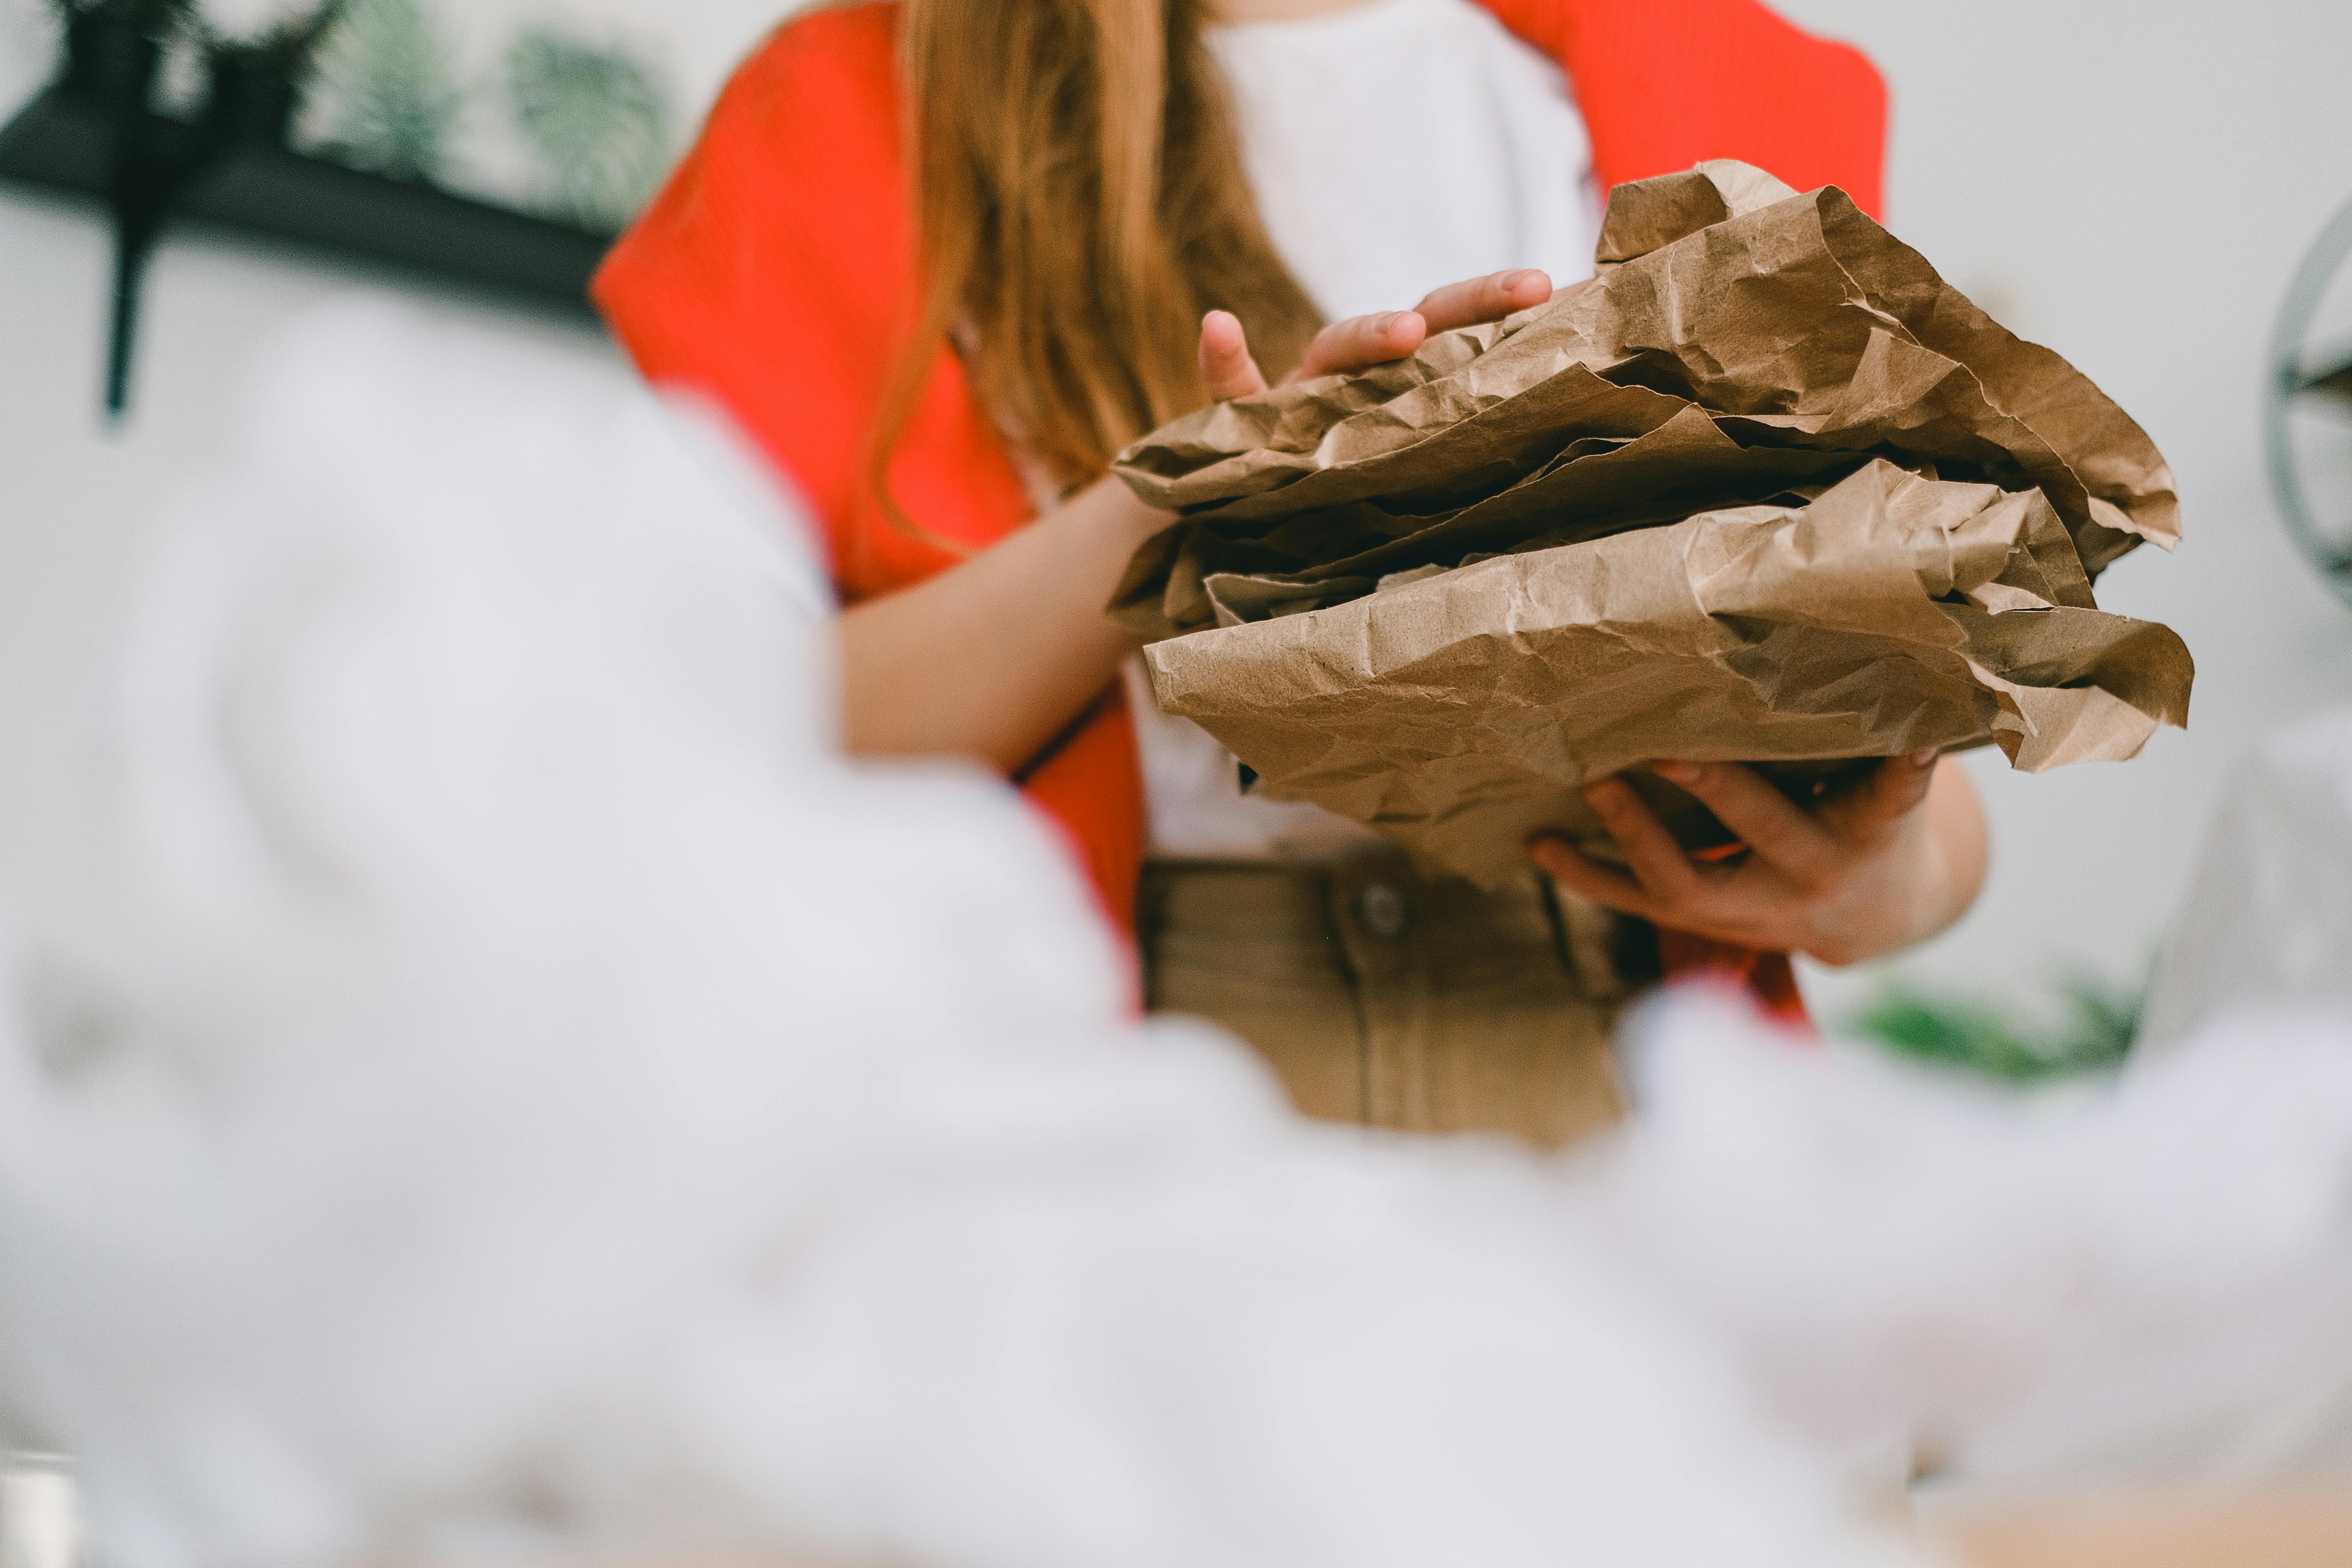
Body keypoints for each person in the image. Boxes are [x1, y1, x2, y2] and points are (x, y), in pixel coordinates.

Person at [594, 0, 1990, 1147]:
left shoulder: (1725, 83)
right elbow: (706, 739)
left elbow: (1926, 777)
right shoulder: (852, 106)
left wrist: (1874, 878)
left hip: (1645, 1059)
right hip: (1109, 1083)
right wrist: (1176, 516)